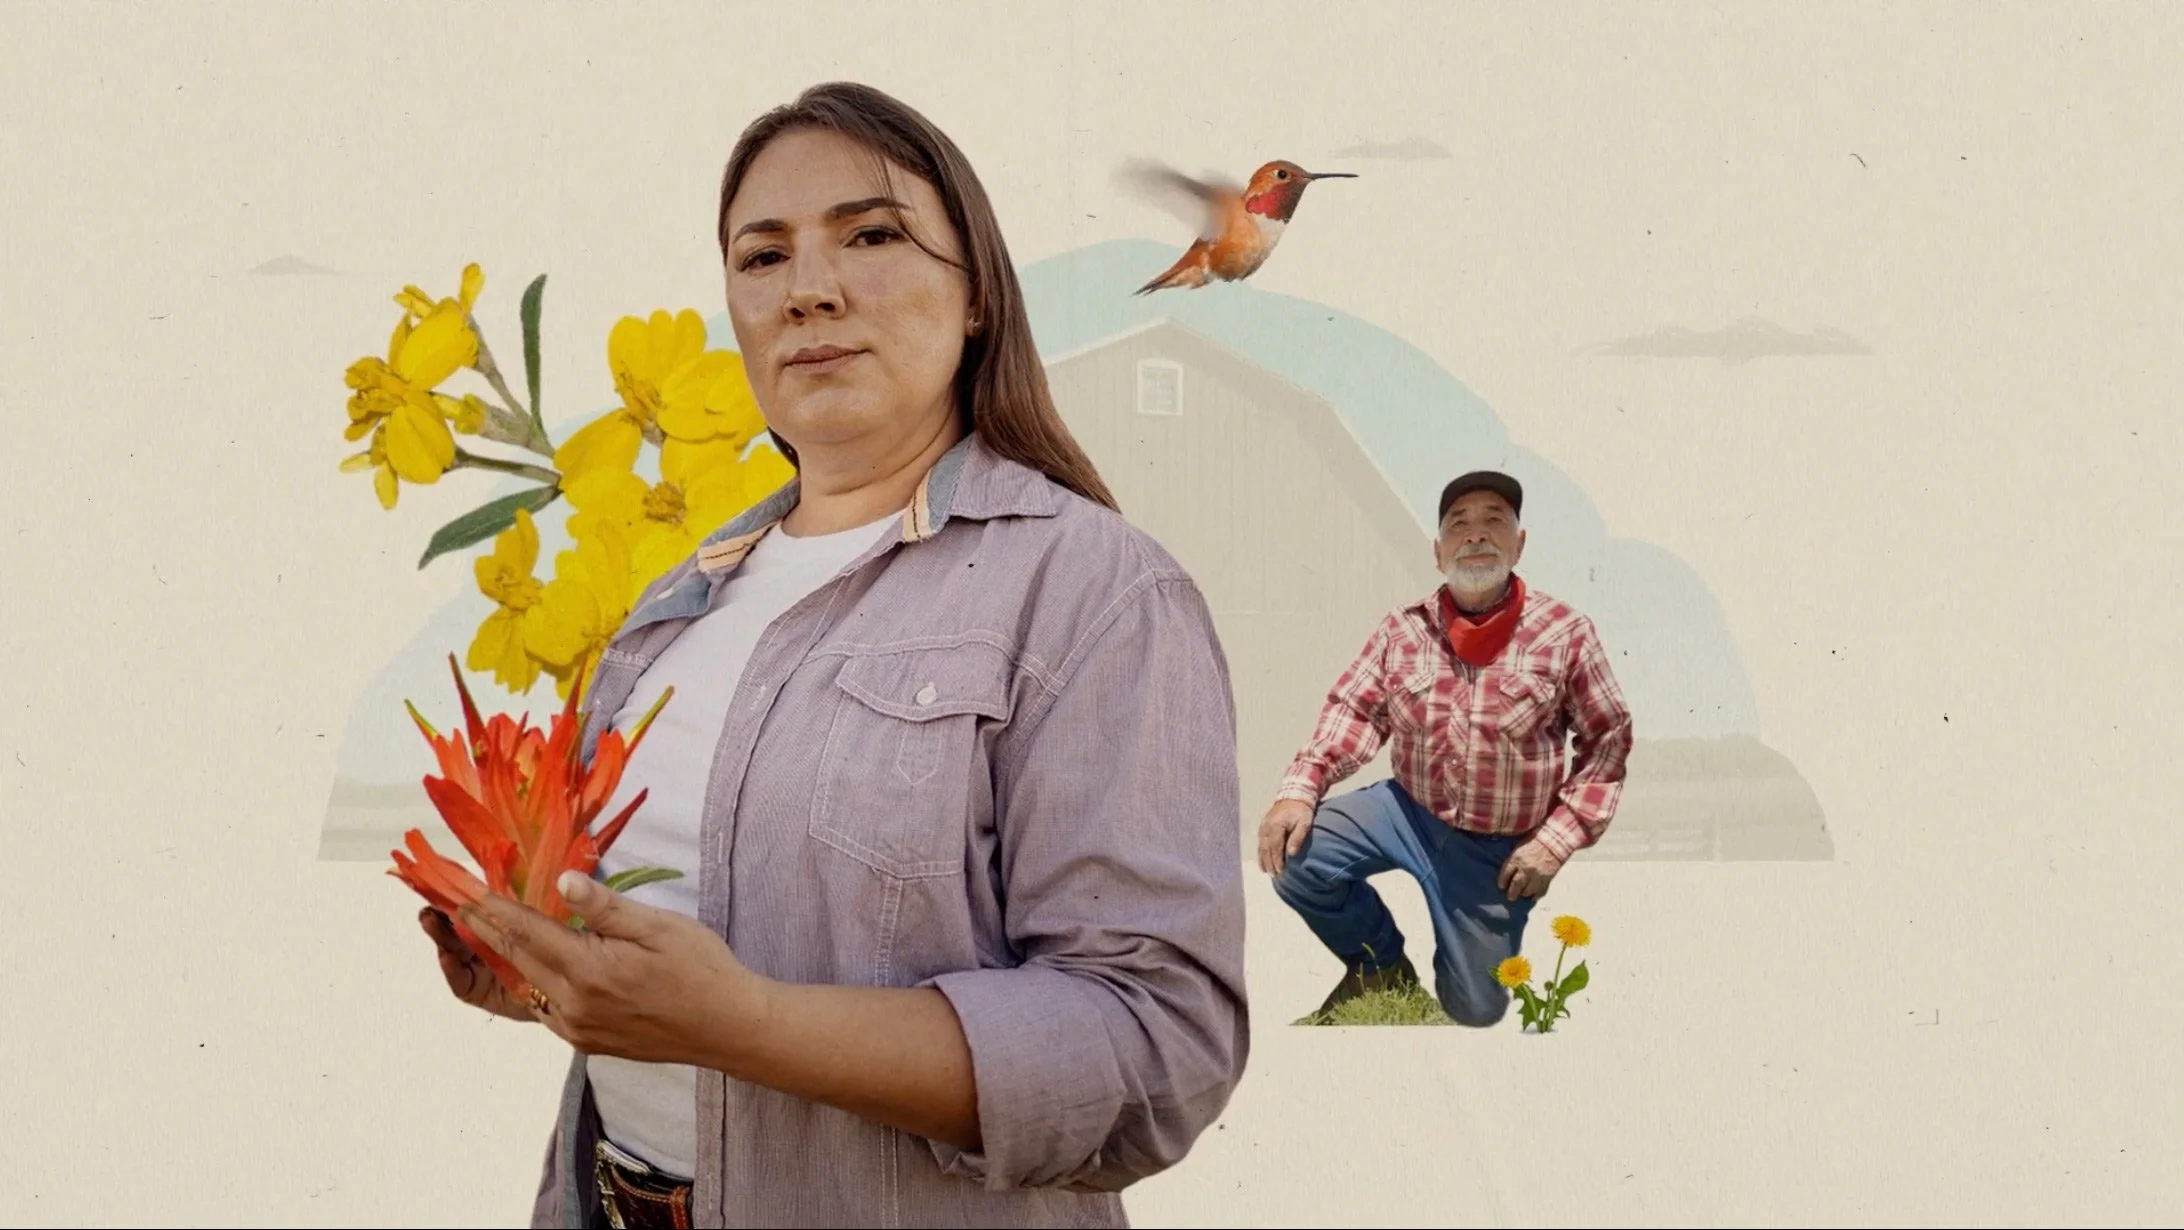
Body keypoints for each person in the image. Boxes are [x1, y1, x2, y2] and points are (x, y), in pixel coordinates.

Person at [416, 81, 1250, 1229]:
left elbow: (1155, 1051)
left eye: (870, 236)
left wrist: (742, 1025)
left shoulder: (1095, 592)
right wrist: (550, 979)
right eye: (763, 258)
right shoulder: (675, 610)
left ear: (976, 300)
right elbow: (669, 977)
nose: (809, 289)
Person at [1255, 470, 1634, 1027]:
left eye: (1494, 521)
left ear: (1519, 543)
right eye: (1459, 524)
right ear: (1438, 552)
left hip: (1497, 848)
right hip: (1406, 810)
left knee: (1476, 1009)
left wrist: (1553, 844)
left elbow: (1608, 741)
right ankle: (1380, 964)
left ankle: (1463, 970)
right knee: (1296, 855)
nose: (1476, 535)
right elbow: (1352, 712)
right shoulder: (1401, 630)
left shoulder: (1566, 633)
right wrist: (1298, 792)